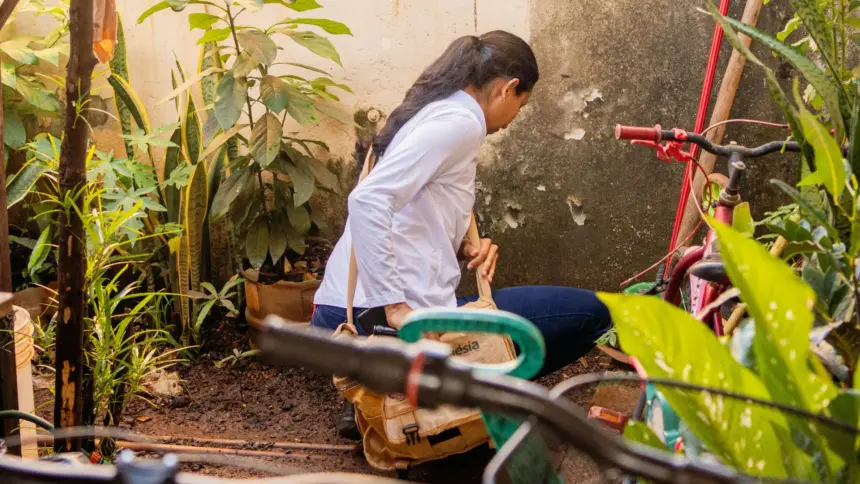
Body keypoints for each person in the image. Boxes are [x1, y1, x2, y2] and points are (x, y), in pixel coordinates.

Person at [311, 30, 612, 438]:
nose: (513, 121)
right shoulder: (461, 122)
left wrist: (469, 243)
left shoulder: (428, 111)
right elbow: (368, 202)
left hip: (338, 314)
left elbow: (413, 210)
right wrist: (395, 307)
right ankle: (445, 407)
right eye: (520, 106)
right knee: (591, 313)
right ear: (508, 88)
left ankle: (378, 399)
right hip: (384, 322)